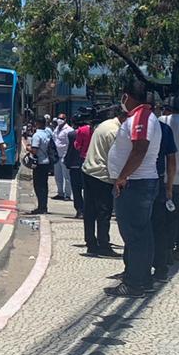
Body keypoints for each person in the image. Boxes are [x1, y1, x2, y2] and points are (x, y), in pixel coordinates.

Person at [104, 78, 161, 297]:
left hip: (136, 184)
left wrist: (122, 177)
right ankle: (140, 277)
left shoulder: (141, 116)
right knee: (140, 235)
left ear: (127, 96)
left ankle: (135, 282)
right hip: (137, 182)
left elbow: (140, 149)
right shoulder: (141, 116)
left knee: (135, 236)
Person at [81, 106, 124, 257]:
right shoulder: (115, 132)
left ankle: (91, 243)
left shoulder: (104, 125)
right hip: (101, 174)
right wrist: (119, 180)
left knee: (89, 210)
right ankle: (104, 245)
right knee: (104, 212)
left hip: (88, 170)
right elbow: (115, 158)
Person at [150, 102, 179, 285]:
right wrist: (169, 186)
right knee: (159, 228)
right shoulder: (164, 129)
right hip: (159, 182)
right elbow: (172, 162)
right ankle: (160, 268)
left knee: (137, 229)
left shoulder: (130, 127)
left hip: (141, 183)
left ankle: (136, 268)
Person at [26, 118, 55, 215]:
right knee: (44, 186)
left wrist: (28, 147)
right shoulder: (47, 134)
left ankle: (41, 207)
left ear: (37, 124)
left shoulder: (37, 135)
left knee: (38, 186)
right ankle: (43, 206)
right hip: (46, 162)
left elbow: (34, 150)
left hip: (39, 163)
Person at [67, 116, 92, 219]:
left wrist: (67, 161)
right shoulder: (93, 131)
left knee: (76, 189)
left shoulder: (73, 134)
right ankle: (89, 210)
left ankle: (80, 210)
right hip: (90, 163)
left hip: (76, 164)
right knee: (88, 189)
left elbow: (74, 147)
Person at [52, 114, 72, 201]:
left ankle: (67, 194)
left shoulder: (69, 130)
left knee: (66, 176)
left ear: (65, 119)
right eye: (59, 118)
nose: (60, 120)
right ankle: (60, 193)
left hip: (65, 155)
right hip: (56, 156)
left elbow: (70, 144)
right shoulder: (56, 129)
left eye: (62, 118)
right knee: (57, 176)